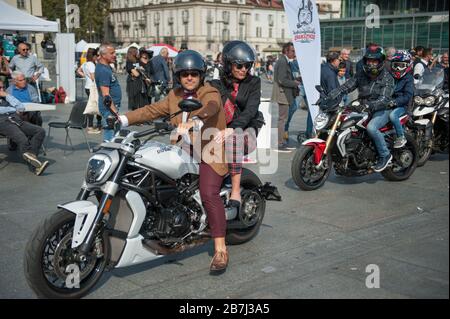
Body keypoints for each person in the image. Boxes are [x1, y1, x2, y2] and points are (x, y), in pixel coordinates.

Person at [118, 50, 230, 274]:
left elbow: (212, 106)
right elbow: (152, 109)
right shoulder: (174, 95)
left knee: (209, 193)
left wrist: (196, 120)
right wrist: (123, 118)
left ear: (201, 75)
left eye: (194, 74)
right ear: (178, 75)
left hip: (210, 151)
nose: (189, 78)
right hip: (184, 150)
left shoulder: (210, 91)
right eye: (184, 74)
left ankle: (220, 248)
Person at [210, 40, 263, 211]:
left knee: (235, 139)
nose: (244, 69)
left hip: (247, 129)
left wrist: (232, 128)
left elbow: (251, 110)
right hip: (222, 130)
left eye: (247, 65)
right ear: (228, 64)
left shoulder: (254, 82)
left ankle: (235, 191)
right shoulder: (216, 84)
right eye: (239, 65)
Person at [325, 45, 396, 172]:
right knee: (343, 120)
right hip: (363, 107)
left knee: (371, 128)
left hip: (382, 109)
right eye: (369, 61)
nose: (371, 64)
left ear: (380, 62)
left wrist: (370, 105)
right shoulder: (362, 74)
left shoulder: (387, 77)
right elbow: (348, 85)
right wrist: (332, 94)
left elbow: (384, 99)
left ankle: (385, 155)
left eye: (374, 61)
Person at [0, 80, 49, 175]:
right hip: (2, 122)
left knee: (40, 131)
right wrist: (13, 109)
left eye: (2, 87)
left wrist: (7, 96)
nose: (1, 90)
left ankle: (33, 158)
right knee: (22, 139)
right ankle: (35, 166)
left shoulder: (6, 97)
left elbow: (21, 107)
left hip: (15, 119)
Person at [271, 42, 300, 152]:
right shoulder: (283, 61)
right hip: (283, 94)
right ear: (286, 51)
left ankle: (281, 141)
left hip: (284, 93)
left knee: (283, 119)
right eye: (292, 51)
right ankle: (280, 143)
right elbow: (282, 80)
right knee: (282, 119)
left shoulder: (284, 61)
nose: (294, 53)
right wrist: (295, 83)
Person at [95, 42, 122, 142]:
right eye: (111, 53)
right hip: (109, 108)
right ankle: (108, 153)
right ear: (103, 55)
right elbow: (106, 95)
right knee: (110, 135)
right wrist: (115, 112)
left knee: (114, 133)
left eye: (114, 52)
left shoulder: (106, 67)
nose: (114, 55)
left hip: (111, 107)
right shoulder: (103, 70)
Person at [388, 50, 415, 149]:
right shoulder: (390, 77)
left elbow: (407, 96)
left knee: (392, 115)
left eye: (401, 65)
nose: (398, 68)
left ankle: (401, 136)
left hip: (402, 106)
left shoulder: (408, 79)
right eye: (396, 65)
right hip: (388, 104)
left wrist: (395, 102)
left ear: (408, 65)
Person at [77, 48, 102, 134]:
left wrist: (85, 75)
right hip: (92, 87)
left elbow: (78, 71)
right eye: (96, 56)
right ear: (94, 56)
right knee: (94, 105)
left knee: (92, 104)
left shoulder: (85, 64)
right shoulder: (91, 64)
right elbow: (93, 77)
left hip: (87, 86)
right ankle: (92, 125)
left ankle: (91, 124)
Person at [125, 46, 145, 111]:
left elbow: (142, 70)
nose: (138, 52)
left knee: (140, 100)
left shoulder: (137, 60)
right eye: (136, 51)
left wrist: (139, 70)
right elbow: (136, 74)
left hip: (139, 82)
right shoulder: (129, 62)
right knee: (134, 101)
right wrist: (139, 70)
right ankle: (134, 116)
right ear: (133, 52)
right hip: (133, 82)